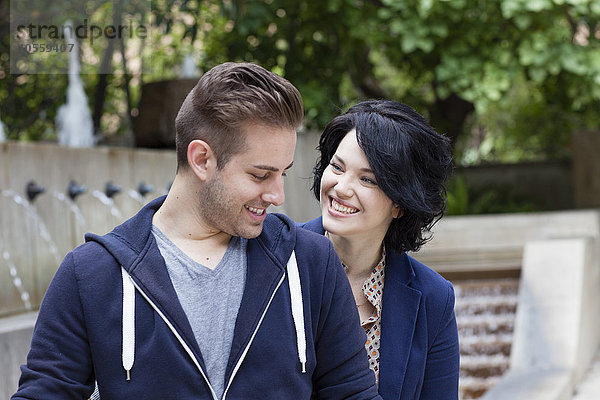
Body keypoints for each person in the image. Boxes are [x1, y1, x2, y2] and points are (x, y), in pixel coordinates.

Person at [12, 62, 381, 400]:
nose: (277, 196)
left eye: (281, 174)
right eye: (260, 175)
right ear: (202, 159)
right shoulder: (89, 276)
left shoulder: (312, 263)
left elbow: (354, 395)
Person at [300, 100, 460, 399]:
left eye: (367, 179)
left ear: (400, 202)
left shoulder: (433, 298)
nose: (342, 187)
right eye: (337, 167)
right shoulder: (276, 257)